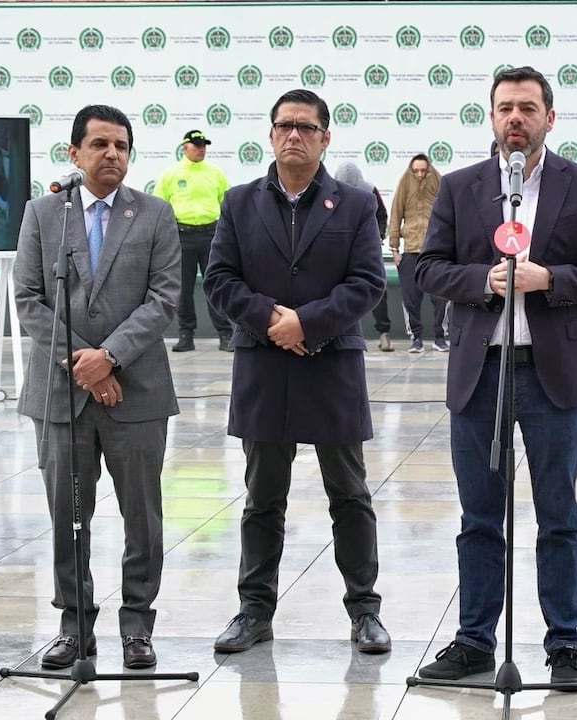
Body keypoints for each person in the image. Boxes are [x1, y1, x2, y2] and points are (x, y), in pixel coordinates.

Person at [413, 66, 577, 686]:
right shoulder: (459, 186)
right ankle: (475, 641)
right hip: (480, 373)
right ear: (491, 116)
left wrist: (549, 279)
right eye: (505, 108)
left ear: (549, 119)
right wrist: (482, 280)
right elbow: (426, 268)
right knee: (479, 516)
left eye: (528, 108)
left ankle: (564, 647)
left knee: (559, 515)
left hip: (550, 374)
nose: (515, 119)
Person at [203, 89, 391, 656]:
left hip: (331, 366)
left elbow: (366, 283)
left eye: (306, 127)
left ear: (325, 138)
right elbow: (219, 280)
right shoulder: (238, 203)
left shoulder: (356, 205)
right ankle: (254, 611)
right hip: (264, 367)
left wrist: (307, 324)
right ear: (270, 134)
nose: (294, 135)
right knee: (263, 498)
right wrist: (270, 321)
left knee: (350, 495)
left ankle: (365, 611)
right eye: (285, 125)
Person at [12, 104, 181, 671]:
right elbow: (30, 300)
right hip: (60, 394)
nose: (113, 155)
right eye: (101, 144)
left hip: (137, 392)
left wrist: (108, 359)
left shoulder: (155, 215)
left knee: (143, 514)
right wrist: (80, 364)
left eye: (123, 146)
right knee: (68, 515)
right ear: (74, 153)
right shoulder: (43, 213)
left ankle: (138, 626)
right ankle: (74, 624)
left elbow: (163, 299)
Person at [154, 129, 233, 352]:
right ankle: (186, 334)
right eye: (197, 145)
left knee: (216, 284)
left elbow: (226, 204)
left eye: (204, 145)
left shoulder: (215, 173)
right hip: (182, 236)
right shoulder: (171, 174)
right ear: (184, 147)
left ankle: (225, 334)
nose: (201, 149)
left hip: (211, 235)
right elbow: (160, 206)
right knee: (184, 288)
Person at [388, 154, 448, 353]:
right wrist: (394, 248)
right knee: (410, 298)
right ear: (411, 169)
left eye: (423, 170)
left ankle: (440, 338)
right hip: (411, 251)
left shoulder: (439, 181)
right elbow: (395, 213)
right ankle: (416, 339)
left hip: (435, 251)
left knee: (440, 296)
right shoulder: (404, 182)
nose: (420, 174)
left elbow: (449, 214)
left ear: (429, 169)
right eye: (416, 171)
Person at [333, 161, 393, 351]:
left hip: (367, 249)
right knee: (334, 289)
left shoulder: (370, 190)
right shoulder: (328, 191)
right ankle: (335, 331)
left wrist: (378, 236)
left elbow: (382, 216)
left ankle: (384, 333)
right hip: (339, 249)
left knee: (378, 289)